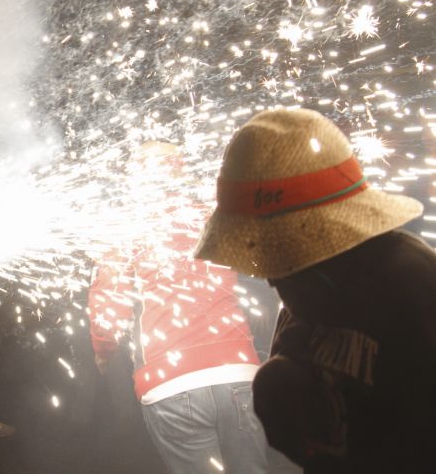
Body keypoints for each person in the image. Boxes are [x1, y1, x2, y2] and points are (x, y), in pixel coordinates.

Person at [194, 108, 436, 472]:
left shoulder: (413, 290)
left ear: (315, 240)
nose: (270, 278)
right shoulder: (304, 299)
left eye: (278, 256)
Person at [89, 141, 270, 474]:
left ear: (135, 178)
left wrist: (103, 350)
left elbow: (109, 306)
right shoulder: (214, 215)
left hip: (171, 382)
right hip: (240, 373)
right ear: (181, 171)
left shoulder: (125, 228)